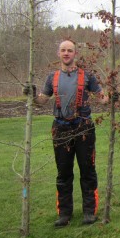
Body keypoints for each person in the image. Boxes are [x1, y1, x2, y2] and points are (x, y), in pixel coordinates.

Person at [39, 40, 103, 226]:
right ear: (58, 53)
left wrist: (111, 97)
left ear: (75, 54)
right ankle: (64, 214)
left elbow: (102, 98)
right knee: (63, 172)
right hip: (61, 129)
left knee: (87, 170)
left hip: (84, 128)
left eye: (70, 50)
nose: (66, 53)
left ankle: (89, 212)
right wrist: (31, 94)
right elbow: (42, 100)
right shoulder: (52, 78)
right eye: (63, 50)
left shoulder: (87, 76)